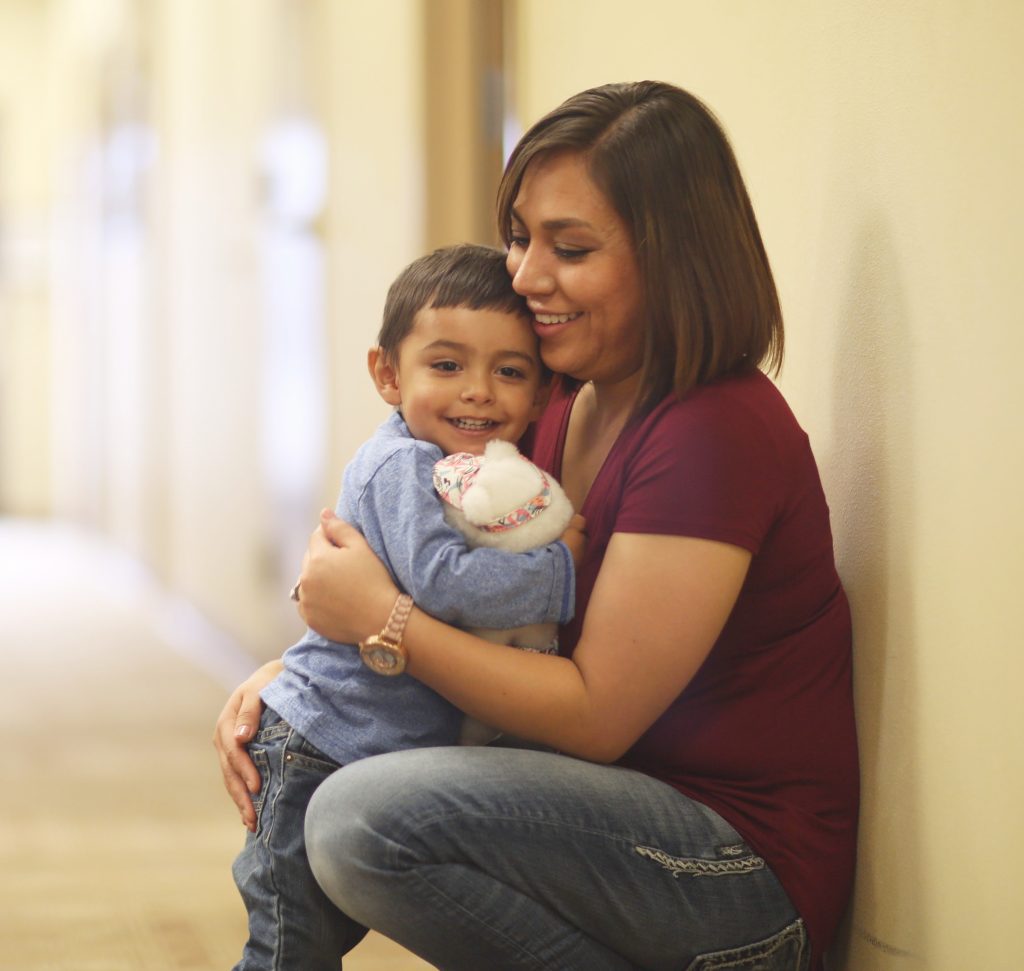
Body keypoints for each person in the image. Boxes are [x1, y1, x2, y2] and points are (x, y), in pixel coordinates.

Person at [215, 80, 859, 971]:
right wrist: (299, 678)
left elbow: (595, 715)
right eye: (521, 236)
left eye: (572, 246)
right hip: (606, 811)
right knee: (332, 796)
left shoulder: (716, 430)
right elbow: (470, 595)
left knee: (361, 818)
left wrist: (381, 622)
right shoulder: (557, 400)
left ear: (673, 256)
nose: (524, 274)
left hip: (732, 871)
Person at [226, 242, 583, 971]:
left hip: (360, 745)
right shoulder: (406, 464)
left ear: (543, 390)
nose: (478, 392)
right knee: (289, 949)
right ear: (388, 374)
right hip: (316, 750)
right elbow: (444, 583)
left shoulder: (489, 469)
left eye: (509, 370)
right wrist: (567, 565)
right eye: (446, 366)